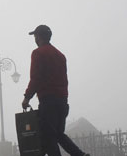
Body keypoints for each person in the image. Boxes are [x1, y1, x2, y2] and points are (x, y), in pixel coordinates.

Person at [21, 25, 90, 156]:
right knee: (58, 134)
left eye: (35, 36)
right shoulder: (61, 56)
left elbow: (36, 78)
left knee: (48, 137)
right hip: (63, 102)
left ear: (39, 37)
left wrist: (27, 97)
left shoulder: (38, 53)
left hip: (48, 101)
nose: (34, 39)